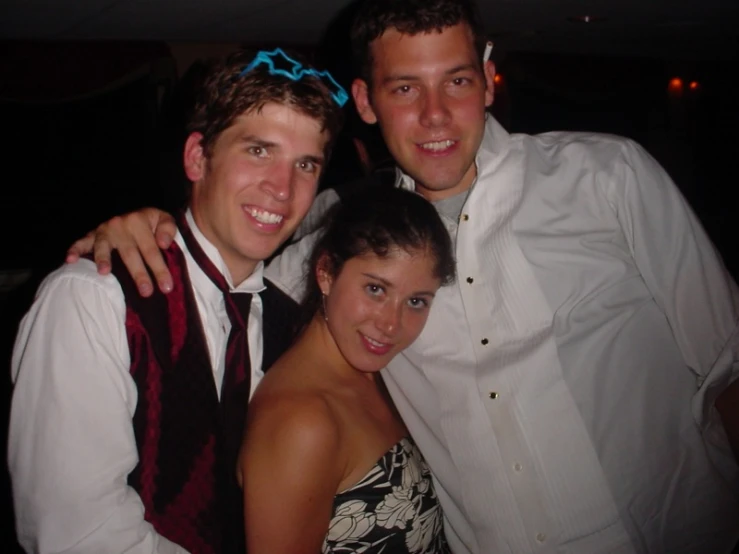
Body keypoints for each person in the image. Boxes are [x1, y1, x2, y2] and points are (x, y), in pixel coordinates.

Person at [66, 0, 739, 552]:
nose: (435, 115)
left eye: (455, 80)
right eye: (403, 88)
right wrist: (147, 229)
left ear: (487, 76)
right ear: (363, 100)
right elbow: (230, 263)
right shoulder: (338, 231)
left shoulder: (609, 177)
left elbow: (726, 364)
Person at [8, 47, 344, 554]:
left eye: (305, 164)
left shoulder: (289, 318)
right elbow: (78, 534)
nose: (282, 188)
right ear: (196, 157)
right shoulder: (94, 298)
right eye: (258, 150)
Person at [239, 185, 454, 553]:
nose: (391, 324)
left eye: (416, 301)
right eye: (375, 289)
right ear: (325, 272)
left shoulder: (380, 373)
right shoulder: (302, 423)